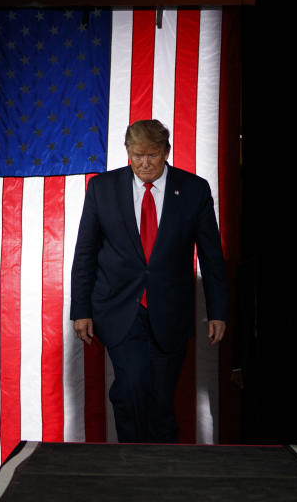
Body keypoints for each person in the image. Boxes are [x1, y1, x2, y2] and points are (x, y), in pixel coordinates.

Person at [70, 119, 228, 442]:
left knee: (160, 399)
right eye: (137, 155)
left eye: (152, 155)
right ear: (127, 152)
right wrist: (80, 309)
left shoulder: (194, 190)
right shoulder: (103, 188)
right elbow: (84, 253)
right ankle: (131, 466)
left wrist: (218, 311)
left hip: (170, 311)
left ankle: (161, 472)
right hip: (119, 309)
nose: (144, 163)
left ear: (166, 152)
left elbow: (212, 258)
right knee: (130, 386)